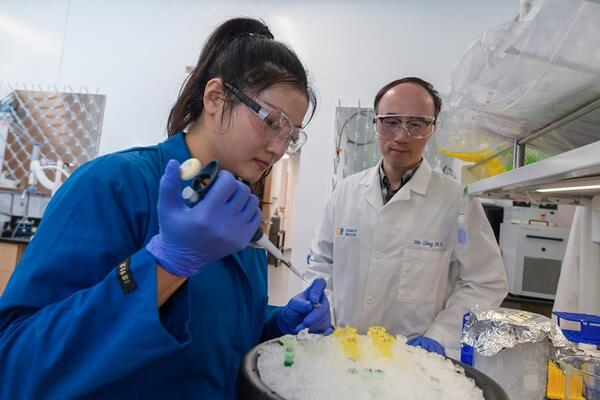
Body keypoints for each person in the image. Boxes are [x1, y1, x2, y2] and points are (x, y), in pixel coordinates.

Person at [0, 18, 333, 399]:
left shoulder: (237, 214)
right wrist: (164, 265)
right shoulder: (114, 184)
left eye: (291, 135)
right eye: (272, 122)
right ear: (215, 98)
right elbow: (15, 362)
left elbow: (215, 337)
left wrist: (276, 326)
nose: (278, 147)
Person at [306, 77, 507, 358]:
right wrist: (322, 309)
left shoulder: (456, 200)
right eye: (391, 122)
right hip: (341, 349)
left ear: (431, 129)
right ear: (376, 124)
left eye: (416, 124)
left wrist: (442, 334)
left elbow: (486, 282)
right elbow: (320, 263)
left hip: (413, 361)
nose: (401, 136)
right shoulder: (346, 192)